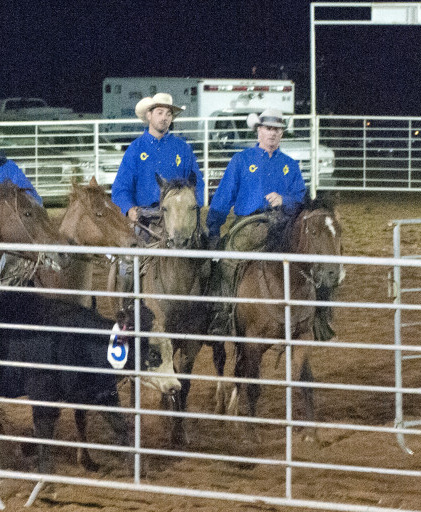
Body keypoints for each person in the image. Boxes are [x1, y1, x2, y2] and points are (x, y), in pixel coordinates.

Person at [205, 107, 307, 335]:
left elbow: (301, 198)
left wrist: (285, 200)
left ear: (282, 134)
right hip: (247, 226)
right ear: (259, 131)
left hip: (282, 225)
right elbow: (223, 197)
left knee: (309, 261)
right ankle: (223, 314)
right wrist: (213, 228)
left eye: (277, 130)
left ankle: (314, 316)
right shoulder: (241, 160)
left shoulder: (290, 165)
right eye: (268, 128)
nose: (272, 133)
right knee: (227, 263)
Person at [110, 92, 204, 233]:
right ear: (149, 115)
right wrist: (129, 208)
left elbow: (197, 184)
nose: (164, 118)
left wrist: (194, 206)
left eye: (168, 114)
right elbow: (121, 187)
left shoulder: (183, 149)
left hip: (178, 217)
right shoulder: (135, 149)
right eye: (160, 113)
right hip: (144, 218)